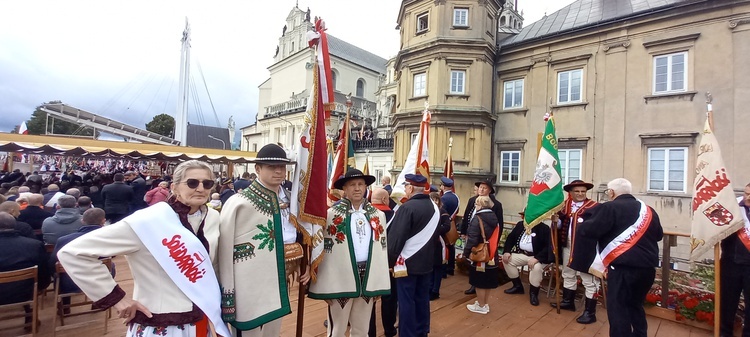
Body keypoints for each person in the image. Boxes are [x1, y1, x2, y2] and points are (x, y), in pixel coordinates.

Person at [58, 160, 230, 337]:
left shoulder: (212, 218)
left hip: (202, 321)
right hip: (159, 323)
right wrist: (118, 299)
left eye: (207, 183)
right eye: (192, 183)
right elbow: (72, 253)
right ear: (174, 187)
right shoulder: (147, 221)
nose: (201, 188)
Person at [218, 144, 310, 336]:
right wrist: (228, 294)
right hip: (248, 286)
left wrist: (306, 263)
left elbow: (302, 234)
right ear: (257, 169)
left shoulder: (292, 201)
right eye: (271, 166)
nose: (278, 171)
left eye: (282, 167)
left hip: (279, 280)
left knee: (272, 331)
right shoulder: (239, 204)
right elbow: (224, 251)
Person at [571, 178, 663, 337]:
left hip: (622, 269)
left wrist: (583, 220)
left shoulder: (609, 208)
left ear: (611, 192)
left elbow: (587, 231)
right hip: (648, 269)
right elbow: (659, 235)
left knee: (618, 308)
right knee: (636, 304)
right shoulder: (648, 210)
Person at [309, 169, 390, 337]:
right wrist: (325, 286)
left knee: (362, 330)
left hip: (366, 277)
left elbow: (382, 251)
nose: (357, 188)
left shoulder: (378, 215)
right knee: (337, 330)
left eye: (361, 184)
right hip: (340, 279)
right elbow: (323, 251)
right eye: (352, 185)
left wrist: (378, 283)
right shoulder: (330, 216)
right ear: (344, 189)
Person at [387, 173, 439, 337]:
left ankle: (407, 333)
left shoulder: (407, 208)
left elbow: (396, 239)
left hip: (406, 264)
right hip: (426, 263)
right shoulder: (435, 207)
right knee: (422, 299)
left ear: (410, 188)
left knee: (406, 301)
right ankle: (422, 330)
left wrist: (389, 261)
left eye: (405, 187)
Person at [550, 180, 600, 323]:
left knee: (589, 280)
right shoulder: (565, 206)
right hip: (568, 245)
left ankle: (590, 313)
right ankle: (568, 302)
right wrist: (556, 221)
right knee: (568, 273)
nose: (580, 194)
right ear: (571, 193)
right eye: (577, 191)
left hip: (585, 248)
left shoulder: (594, 207)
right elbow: (561, 224)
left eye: (583, 191)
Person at [49, 208, 110, 310]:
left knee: (58, 270)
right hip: (98, 281)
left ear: (82, 221)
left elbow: (52, 263)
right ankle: (99, 301)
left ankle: (65, 306)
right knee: (109, 265)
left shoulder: (63, 240)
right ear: (103, 221)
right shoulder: (105, 238)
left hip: (67, 283)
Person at [0, 212, 50, 331]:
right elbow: (44, 272)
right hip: (26, 291)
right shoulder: (34, 245)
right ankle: (29, 314)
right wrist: (41, 288)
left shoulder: (34, 245)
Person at [459, 178, 503, 295]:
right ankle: (473, 283)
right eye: (480, 187)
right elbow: (466, 216)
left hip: (486, 239)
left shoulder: (496, 205)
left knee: (483, 260)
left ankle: (479, 285)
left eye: (484, 188)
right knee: (473, 259)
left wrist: (496, 240)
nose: (481, 189)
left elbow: (499, 224)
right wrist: (463, 232)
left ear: (489, 190)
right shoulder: (472, 200)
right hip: (472, 233)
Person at [502, 209, 553, 306]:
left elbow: (548, 247)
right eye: (526, 216)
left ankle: (533, 293)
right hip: (522, 254)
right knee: (507, 260)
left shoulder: (544, 229)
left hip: (536, 257)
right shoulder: (520, 225)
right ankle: (517, 286)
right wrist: (507, 251)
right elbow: (510, 238)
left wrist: (537, 258)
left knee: (537, 268)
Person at [719, 182, 750, 337]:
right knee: (727, 303)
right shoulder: (733, 205)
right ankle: (725, 333)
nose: (746, 197)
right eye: (745, 193)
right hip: (731, 262)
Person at [462, 196, 501, 314]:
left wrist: (466, 253)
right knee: (487, 281)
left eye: (476, 204)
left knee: (479, 281)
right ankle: (484, 303)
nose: (475, 206)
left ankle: (481, 305)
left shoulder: (477, 218)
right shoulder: (494, 217)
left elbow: (473, 239)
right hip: (491, 253)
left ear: (480, 205)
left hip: (480, 254)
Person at [370, 187, 396, 337]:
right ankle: (389, 329)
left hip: (369, 264)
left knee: (369, 300)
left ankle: (370, 332)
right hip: (388, 265)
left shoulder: (364, 214)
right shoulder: (395, 215)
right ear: (386, 200)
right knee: (390, 298)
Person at [429, 192, 451, 300]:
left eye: (436, 200)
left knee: (437, 267)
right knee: (430, 267)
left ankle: (435, 291)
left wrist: (435, 230)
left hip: (438, 243)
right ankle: (429, 288)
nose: (434, 202)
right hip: (429, 243)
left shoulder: (442, 212)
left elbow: (447, 226)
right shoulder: (428, 212)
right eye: (432, 199)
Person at [440, 177, 460, 276]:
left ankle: (444, 270)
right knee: (451, 246)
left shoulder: (443, 198)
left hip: (444, 224)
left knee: (444, 247)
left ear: (443, 186)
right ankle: (451, 268)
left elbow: (442, 212)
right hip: (452, 223)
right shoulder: (456, 197)